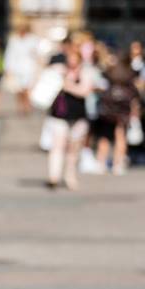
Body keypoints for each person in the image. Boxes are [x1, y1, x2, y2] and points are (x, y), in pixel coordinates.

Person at [47, 46, 94, 190]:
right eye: (70, 59)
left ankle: (70, 177)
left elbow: (85, 91)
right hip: (59, 115)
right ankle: (53, 176)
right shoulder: (59, 71)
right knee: (57, 146)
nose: (72, 62)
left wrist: (69, 86)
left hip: (78, 116)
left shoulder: (85, 73)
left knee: (73, 150)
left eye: (75, 59)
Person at [93, 54, 141, 175]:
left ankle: (101, 162)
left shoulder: (110, 73)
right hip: (123, 111)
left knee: (105, 137)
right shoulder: (129, 75)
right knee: (120, 136)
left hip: (108, 110)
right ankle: (117, 164)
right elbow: (135, 95)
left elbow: (100, 87)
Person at [3, 22, 40, 114]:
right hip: (16, 68)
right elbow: (9, 54)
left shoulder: (33, 39)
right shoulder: (13, 39)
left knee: (27, 88)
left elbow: (38, 53)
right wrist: (8, 68)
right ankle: (20, 106)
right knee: (18, 89)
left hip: (29, 68)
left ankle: (27, 105)